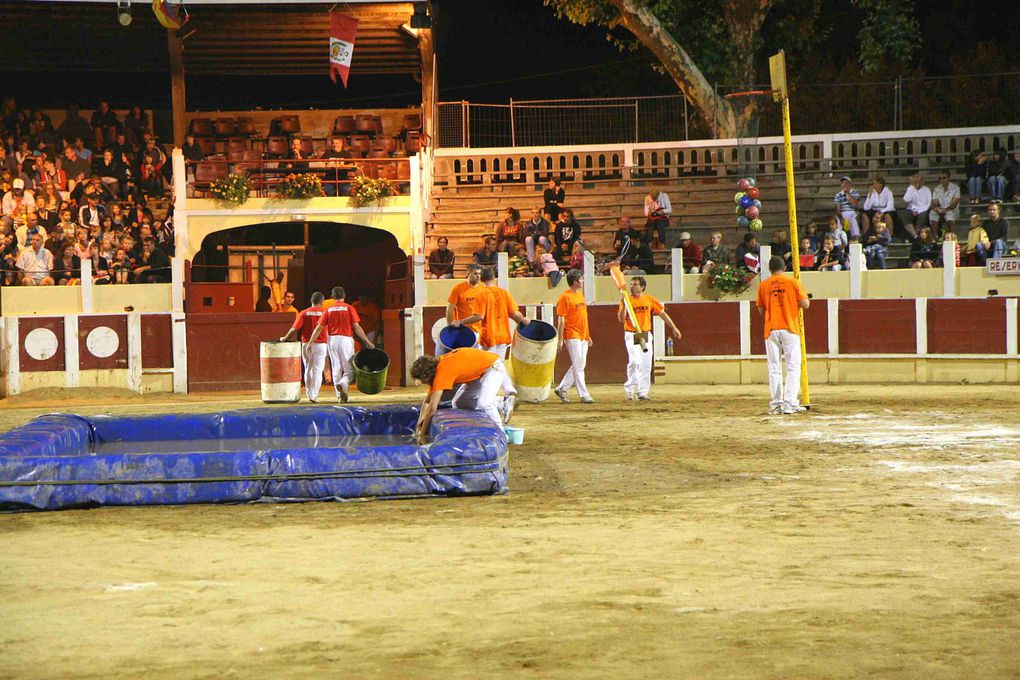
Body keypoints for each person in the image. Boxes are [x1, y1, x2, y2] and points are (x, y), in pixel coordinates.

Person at [460, 268, 527, 404]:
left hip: (488, 337)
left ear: (482, 279)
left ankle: (494, 399)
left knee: (490, 369)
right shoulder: (503, 293)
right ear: (493, 277)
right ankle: (509, 389)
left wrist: (461, 322)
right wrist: (525, 321)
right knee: (498, 364)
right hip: (503, 336)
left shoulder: (481, 294)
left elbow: (479, 316)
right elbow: (514, 314)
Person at [411, 347, 513, 435]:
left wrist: (422, 435)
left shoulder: (442, 372)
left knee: (484, 404)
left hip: (493, 367)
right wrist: (419, 425)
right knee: (458, 403)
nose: (421, 382)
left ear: (427, 374)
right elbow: (428, 401)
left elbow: (432, 408)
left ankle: (501, 433)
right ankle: (501, 403)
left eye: (421, 378)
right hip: (477, 373)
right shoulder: (438, 368)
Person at [756, 256, 810, 415]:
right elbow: (805, 304)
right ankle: (790, 403)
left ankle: (776, 404)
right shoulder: (793, 282)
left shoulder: (763, 285)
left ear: (770, 269)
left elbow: (761, 310)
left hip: (771, 328)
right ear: (784, 268)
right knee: (793, 367)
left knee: (774, 368)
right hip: (789, 328)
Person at [618, 276, 681, 401]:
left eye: (635, 284)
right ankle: (630, 389)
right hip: (632, 333)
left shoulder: (649, 299)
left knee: (646, 364)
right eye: (631, 284)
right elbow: (621, 319)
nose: (632, 286)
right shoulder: (626, 300)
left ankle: (642, 392)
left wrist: (674, 328)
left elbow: (662, 313)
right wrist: (624, 304)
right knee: (635, 361)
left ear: (642, 287)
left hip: (645, 334)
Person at [307, 286, 375, 403]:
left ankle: (339, 395)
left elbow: (319, 328)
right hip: (346, 340)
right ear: (344, 296)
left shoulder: (328, 309)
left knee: (336, 368)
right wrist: (367, 341)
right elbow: (357, 327)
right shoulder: (349, 308)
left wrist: (310, 342)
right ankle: (343, 384)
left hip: (332, 340)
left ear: (333, 297)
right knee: (350, 370)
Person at [279, 292, 328, 402]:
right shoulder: (325, 313)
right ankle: (314, 395)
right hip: (321, 344)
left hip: (306, 344)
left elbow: (294, 328)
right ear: (322, 301)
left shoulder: (304, 313)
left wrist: (285, 338)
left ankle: (308, 392)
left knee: (308, 368)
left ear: (311, 301)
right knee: (318, 370)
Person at [553, 269, 593, 403]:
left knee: (580, 364)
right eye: (580, 279)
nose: (582, 281)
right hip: (571, 334)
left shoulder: (580, 295)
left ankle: (562, 388)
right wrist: (560, 339)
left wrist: (588, 335)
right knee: (578, 364)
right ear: (575, 282)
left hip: (582, 334)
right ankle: (584, 394)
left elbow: (583, 317)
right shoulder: (564, 297)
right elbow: (561, 320)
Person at [446, 264, 484, 336]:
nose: (478, 276)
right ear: (468, 273)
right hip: (464, 330)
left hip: (481, 331)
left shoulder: (484, 289)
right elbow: (449, 309)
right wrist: (450, 327)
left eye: (479, 273)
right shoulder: (458, 288)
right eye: (475, 273)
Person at [929, 171, 961, 239]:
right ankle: (935, 236)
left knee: (950, 215)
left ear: (949, 178)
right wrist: (935, 208)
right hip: (940, 209)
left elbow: (954, 204)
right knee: (932, 213)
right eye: (940, 178)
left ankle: (953, 237)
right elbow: (934, 202)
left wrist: (946, 209)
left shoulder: (956, 188)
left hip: (952, 209)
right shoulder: (936, 189)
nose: (942, 180)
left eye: (944, 178)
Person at [902, 173, 931, 240]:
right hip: (912, 209)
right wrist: (911, 189)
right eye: (914, 182)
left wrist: (919, 211)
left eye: (918, 182)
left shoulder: (926, 190)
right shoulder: (910, 189)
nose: (916, 183)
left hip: (923, 210)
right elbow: (906, 199)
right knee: (905, 215)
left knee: (923, 216)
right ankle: (915, 236)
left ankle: (915, 235)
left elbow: (928, 204)